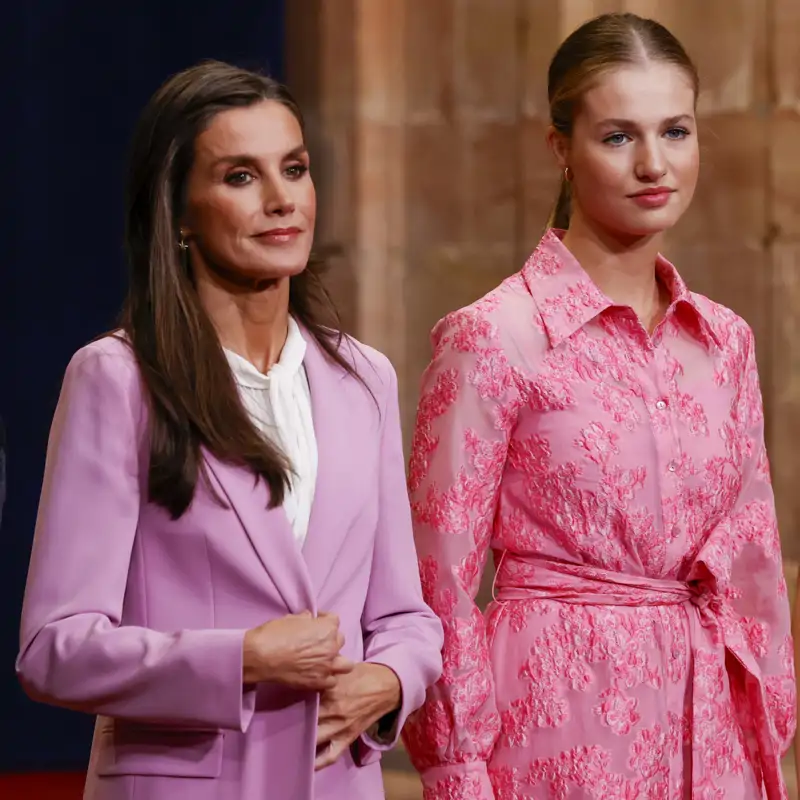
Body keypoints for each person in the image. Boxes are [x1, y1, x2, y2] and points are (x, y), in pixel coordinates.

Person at [16, 61, 443, 800]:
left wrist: (389, 679)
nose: (282, 201)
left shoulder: (365, 379)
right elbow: (54, 650)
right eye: (241, 177)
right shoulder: (117, 379)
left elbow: (405, 615)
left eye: (295, 169)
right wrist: (241, 657)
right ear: (179, 211)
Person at [402, 12, 795, 800]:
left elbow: (753, 562)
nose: (655, 164)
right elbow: (435, 581)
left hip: (707, 733)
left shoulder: (724, 340)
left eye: (676, 131)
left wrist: (765, 737)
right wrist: (454, 768)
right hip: (553, 732)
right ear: (560, 148)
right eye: (618, 137)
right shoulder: (493, 337)